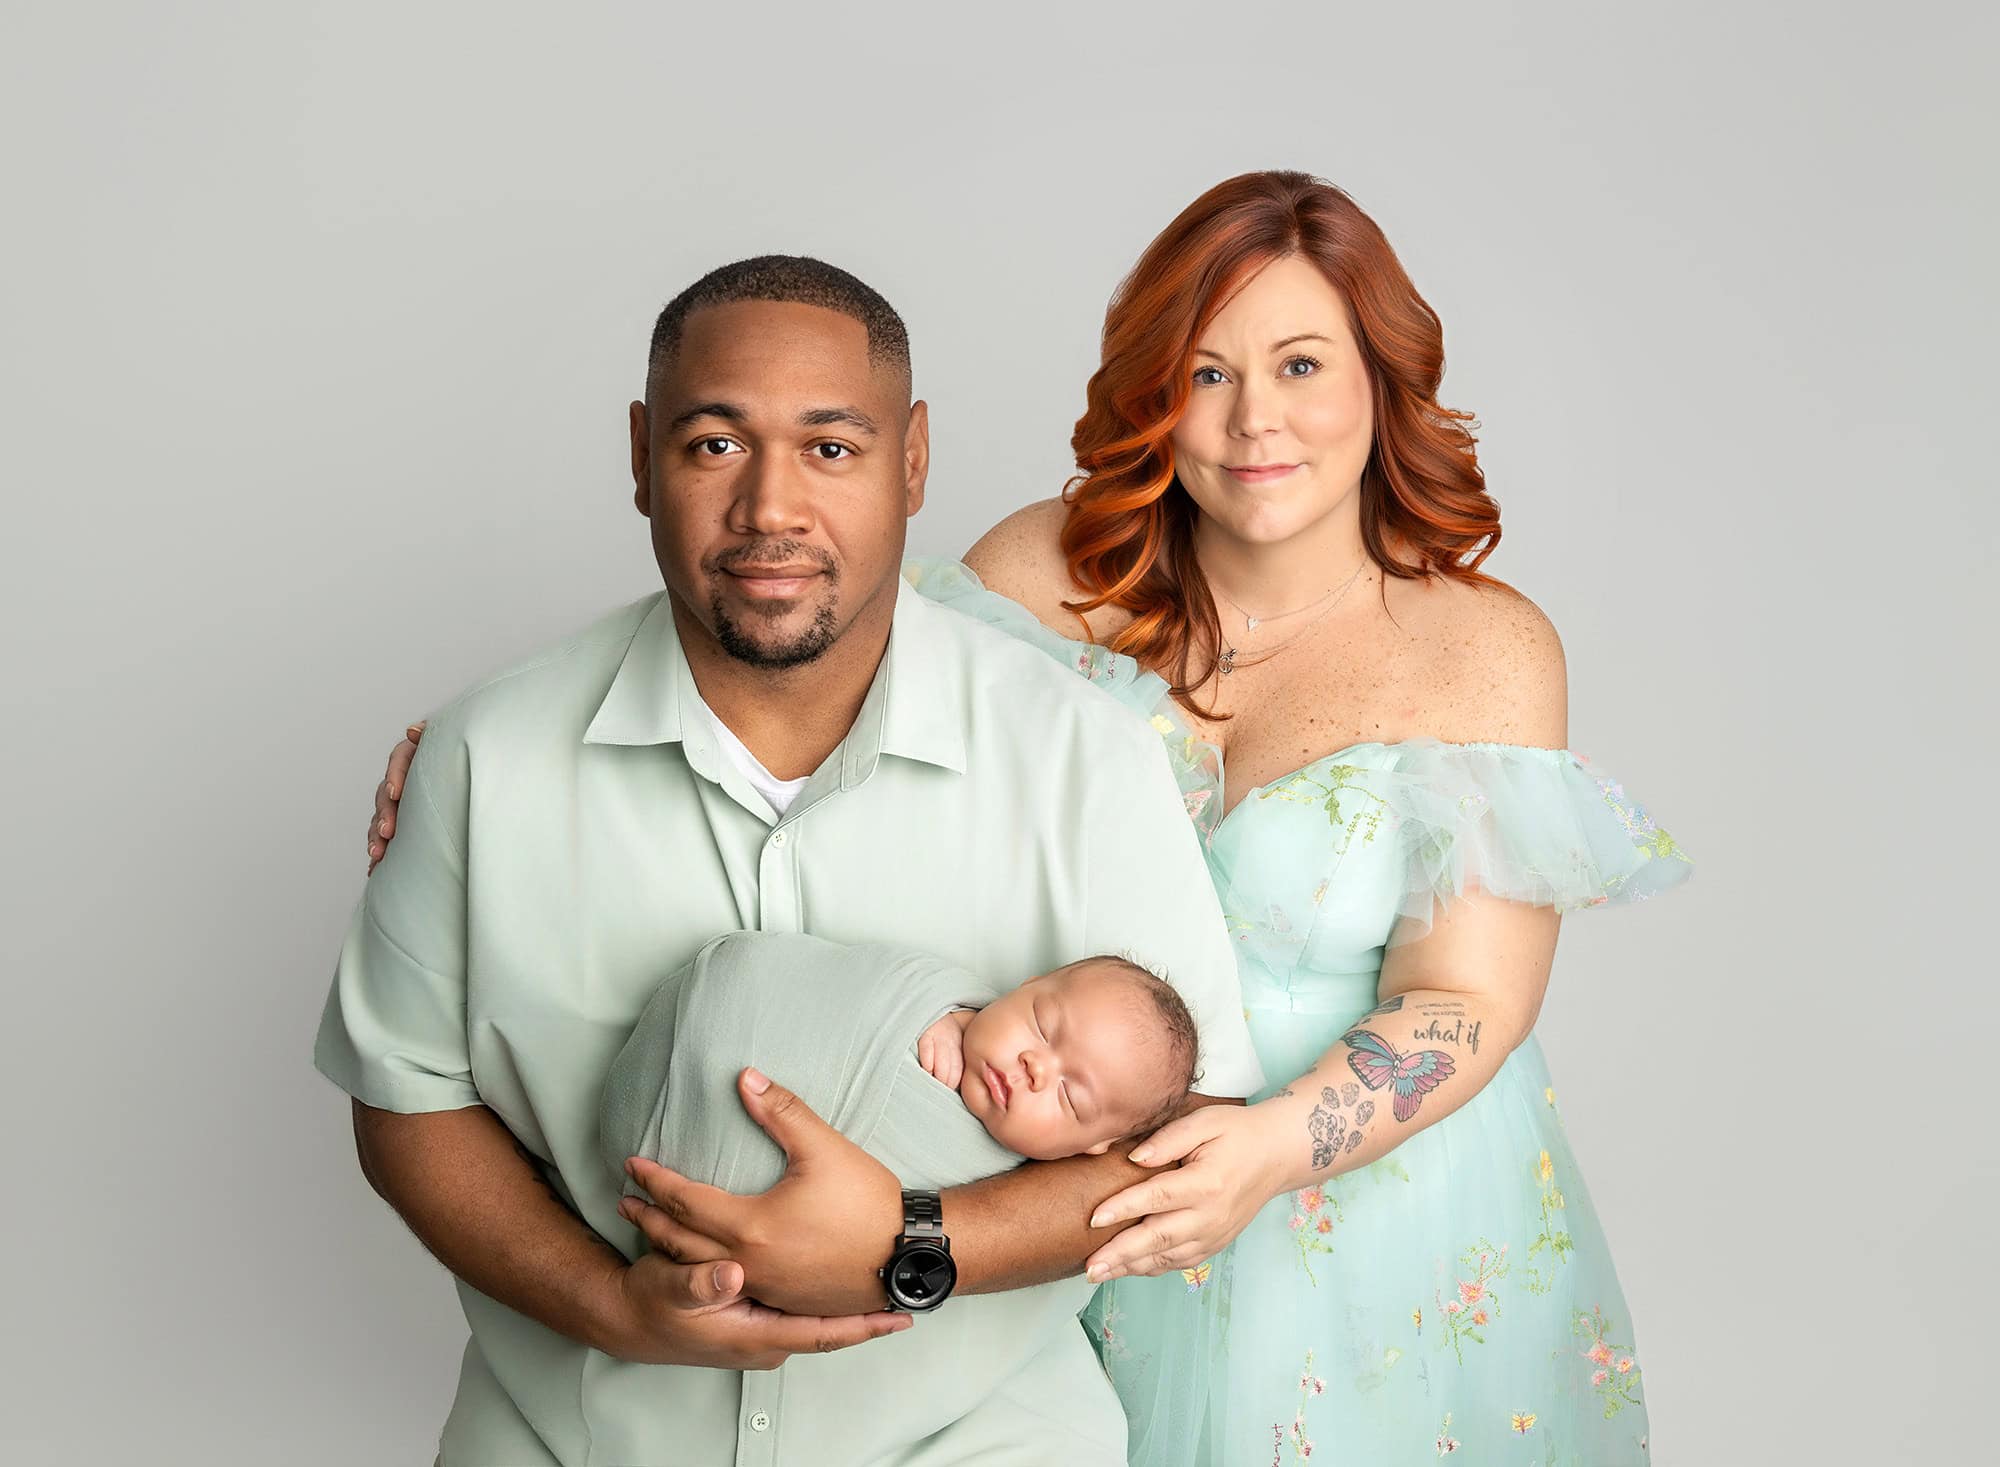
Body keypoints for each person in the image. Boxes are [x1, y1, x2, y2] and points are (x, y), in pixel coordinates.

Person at [368, 174, 1692, 1464]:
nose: (1253, 419)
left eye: (1301, 365)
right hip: (1055, 1177)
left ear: (1381, 380)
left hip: (1342, 1197)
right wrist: (494, 751)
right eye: (1208, 371)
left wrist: (1260, 1151)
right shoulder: (1038, 573)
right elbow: (822, 659)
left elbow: (1468, 996)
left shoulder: (1482, 649)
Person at [316, 254, 1263, 1467]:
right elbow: (408, 1103)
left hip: (976, 1441)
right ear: (640, 456)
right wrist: (611, 1309)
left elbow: (1183, 1137)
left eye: (830, 447)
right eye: (714, 444)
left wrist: (911, 1242)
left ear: (911, 460)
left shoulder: (1084, 759)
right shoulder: (480, 758)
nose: (770, 508)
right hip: (571, 1439)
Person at [599, 932, 1204, 1244]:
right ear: (1026, 984)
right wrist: (934, 1014)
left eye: (1069, 1097)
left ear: (1093, 1148)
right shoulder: (939, 996)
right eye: (1042, 1026)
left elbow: (872, 1226)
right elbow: (851, 984)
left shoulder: (1007, 1187)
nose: (1034, 1067)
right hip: (699, 1036)